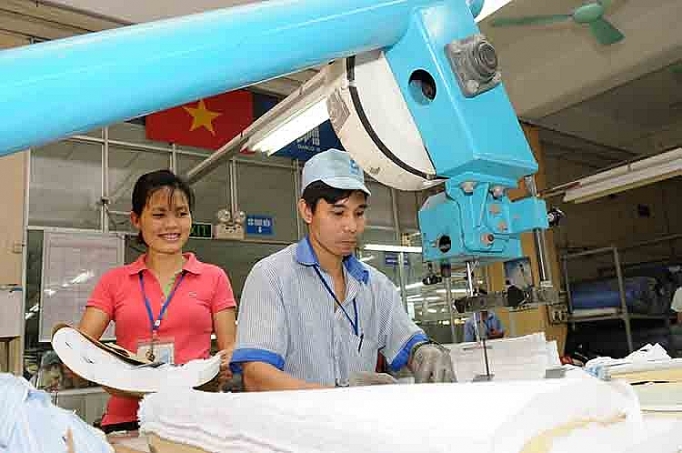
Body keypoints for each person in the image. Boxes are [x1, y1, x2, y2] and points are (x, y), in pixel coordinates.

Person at [231, 149, 454, 390]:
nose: (352, 226)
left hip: (357, 415)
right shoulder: (271, 276)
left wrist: (423, 351)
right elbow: (256, 376)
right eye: (338, 213)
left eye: (359, 213)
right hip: (295, 416)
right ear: (307, 211)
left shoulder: (376, 286)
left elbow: (407, 340)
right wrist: (338, 398)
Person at [78, 170, 237, 433]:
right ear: (136, 219)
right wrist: (108, 372)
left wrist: (227, 363)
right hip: (128, 418)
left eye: (181, 213)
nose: (172, 225)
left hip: (196, 418)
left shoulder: (214, 277)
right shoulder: (113, 281)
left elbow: (229, 348)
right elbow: (80, 350)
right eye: (159, 215)